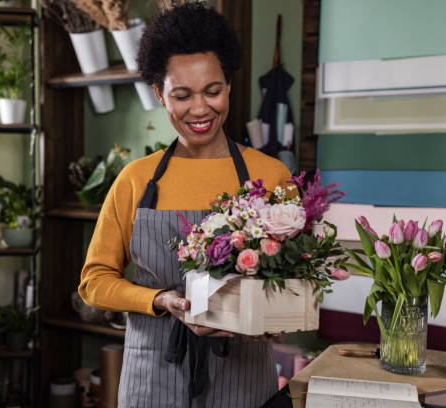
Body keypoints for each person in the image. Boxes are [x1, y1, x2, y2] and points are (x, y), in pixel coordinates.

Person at [79, 3, 292, 407]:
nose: (199, 109)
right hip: (153, 378)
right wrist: (161, 300)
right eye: (182, 95)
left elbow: (294, 284)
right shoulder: (135, 180)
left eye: (212, 91)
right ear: (160, 94)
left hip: (244, 381)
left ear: (228, 85)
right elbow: (93, 281)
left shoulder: (273, 178)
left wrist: (275, 321)